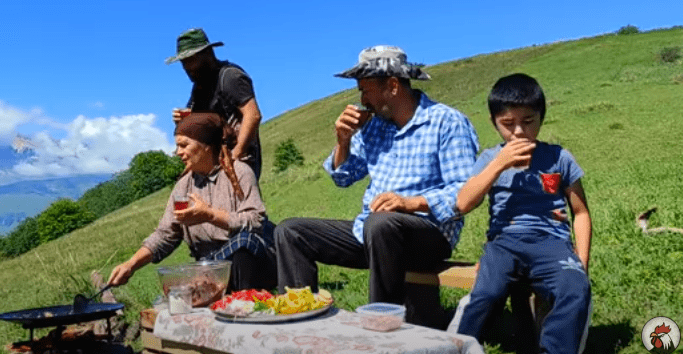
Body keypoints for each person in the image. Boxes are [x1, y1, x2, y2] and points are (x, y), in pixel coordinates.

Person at [275, 45, 479, 324]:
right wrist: (343, 141)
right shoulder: (374, 127)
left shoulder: (446, 122)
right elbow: (343, 178)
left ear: (392, 86)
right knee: (290, 232)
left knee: (382, 223)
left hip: (427, 233)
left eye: (366, 90)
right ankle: (301, 323)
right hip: (372, 232)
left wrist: (410, 203)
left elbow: (465, 191)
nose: (362, 99)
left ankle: (382, 326)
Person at [454, 73, 592, 354]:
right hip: (505, 243)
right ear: (494, 122)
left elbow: (580, 212)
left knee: (575, 288)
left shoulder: (558, 158)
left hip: (552, 242)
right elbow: (464, 203)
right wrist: (499, 163)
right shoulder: (490, 157)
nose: (518, 132)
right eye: (508, 124)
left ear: (541, 118)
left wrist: (581, 261)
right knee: (486, 294)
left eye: (528, 121)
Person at [107, 113, 277, 292]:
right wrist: (131, 264)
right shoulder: (183, 186)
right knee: (179, 283)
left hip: (251, 264)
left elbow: (256, 220)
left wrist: (210, 215)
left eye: (184, 145)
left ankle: (246, 302)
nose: (178, 152)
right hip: (210, 267)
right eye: (177, 146)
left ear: (206, 146)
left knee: (243, 242)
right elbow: (166, 234)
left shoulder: (240, 172)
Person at [165, 28, 263, 179]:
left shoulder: (231, 77)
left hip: (238, 162)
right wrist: (185, 121)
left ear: (208, 53)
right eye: (183, 62)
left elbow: (253, 115)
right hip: (214, 166)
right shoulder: (199, 86)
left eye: (191, 59)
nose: (187, 67)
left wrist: (236, 155)